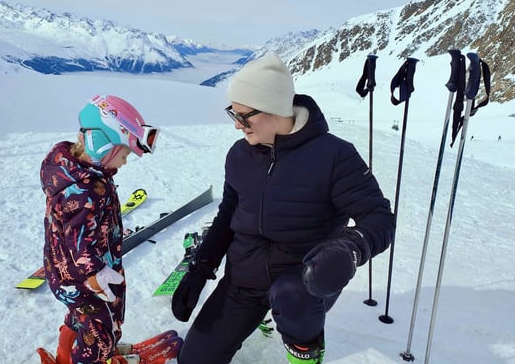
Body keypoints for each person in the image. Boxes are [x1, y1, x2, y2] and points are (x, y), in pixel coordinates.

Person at [171, 53, 395, 364]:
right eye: (233, 115)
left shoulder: (335, 156)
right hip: (243, 281)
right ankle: (261, 313)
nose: (238, 126)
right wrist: (200, 268)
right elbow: (227, 218)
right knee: (193, 360)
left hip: (305, 280)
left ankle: (305, 351)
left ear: (274, 108)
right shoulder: (240, 155)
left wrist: (349, 249)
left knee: (290, 297)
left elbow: (380, 219)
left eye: (244, 117)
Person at [38, 94, 160, 364]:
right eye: (125, 153)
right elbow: (78, 241)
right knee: (99, 330)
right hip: (82, 276)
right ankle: (92, 356)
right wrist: (94, 272)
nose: (126, 161)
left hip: (75, 271)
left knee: (82, 318)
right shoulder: (83, 191)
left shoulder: (83, 175)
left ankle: (64, 353)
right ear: (103, 145)